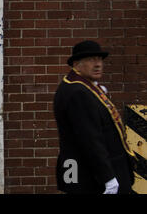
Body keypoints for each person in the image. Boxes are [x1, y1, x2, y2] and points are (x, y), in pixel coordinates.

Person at [54, 40, 136, 194]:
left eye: (99, 59)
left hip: (83, 171)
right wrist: (108, 178)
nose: (97, 64)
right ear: (76, 64)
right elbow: (90, 139)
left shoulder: (83, 87)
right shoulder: (79, 93)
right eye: (91, 59)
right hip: (92, 176)